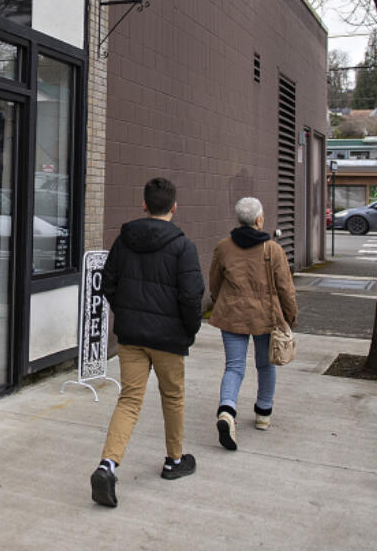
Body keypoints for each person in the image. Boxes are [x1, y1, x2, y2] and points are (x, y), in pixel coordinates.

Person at [90, 177, 205, 508]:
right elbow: (191, 295)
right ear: (174, 207)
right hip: (169, 339)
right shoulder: (184, 247)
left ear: (143, 204)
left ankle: (107, 465)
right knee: (173, 397)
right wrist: (190, 330)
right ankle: (174, 460)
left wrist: (125, 314)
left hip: (132, 336)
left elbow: (108, 283)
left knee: (129, 400)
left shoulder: (124, 241)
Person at [207, 196, 297, 450]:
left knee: (234, 366)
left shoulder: (223, 247)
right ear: (259, 219)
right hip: (265, 316)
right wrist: (290, 316)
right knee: (266, 365)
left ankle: (227, 410)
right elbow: (286, 288)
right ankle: (263, 415)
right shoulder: (273, 249)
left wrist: (220, 300)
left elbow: (214, 281)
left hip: (232, 313)